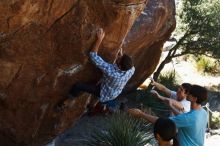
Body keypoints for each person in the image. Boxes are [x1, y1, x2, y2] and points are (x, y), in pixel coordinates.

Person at [56, 28, 135, 113]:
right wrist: (121, 53)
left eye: (119, 58)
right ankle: (91, 107)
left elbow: (93, 56)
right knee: (100, 91)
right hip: (114, 92)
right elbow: (124, 63)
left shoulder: (111, 73)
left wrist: (99, 40)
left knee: (79, 86)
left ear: (119, 66)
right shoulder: (131, 70)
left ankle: (68, 101)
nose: (118, 56)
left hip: (104, 91)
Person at [128, 84, 208, 146]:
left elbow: (162, 122)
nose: (187, 94)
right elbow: (183, 117)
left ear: (195, 98)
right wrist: (171, 107)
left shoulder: (189, 118)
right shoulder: (203, 112)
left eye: (190, 93)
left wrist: (141, 114)